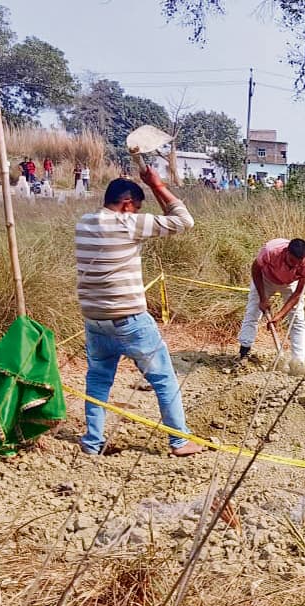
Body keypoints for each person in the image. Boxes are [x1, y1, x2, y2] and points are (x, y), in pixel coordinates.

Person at [75, 169, 202, 457]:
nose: (137, 213)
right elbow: (184, 220)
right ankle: (179, 441)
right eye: (137, 208)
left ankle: (93, 442)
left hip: (95, 320)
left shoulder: (83, 223)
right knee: (163, 377)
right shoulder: (127, 224)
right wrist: (157, 185)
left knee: (97, 380)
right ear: (127, 204)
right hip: (129, 319)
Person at [238, 238, 305, 375]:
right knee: (253, 312)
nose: (295, 266)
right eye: (292, 262)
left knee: (297, 319)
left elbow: (298, 293)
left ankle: (298, 362)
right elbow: (255, 269)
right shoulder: (270, 251)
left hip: (291, 283)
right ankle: (244, 352)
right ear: (286, 253)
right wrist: (263, 298)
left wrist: (279, 316)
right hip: (265, 279)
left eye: (299, 263)